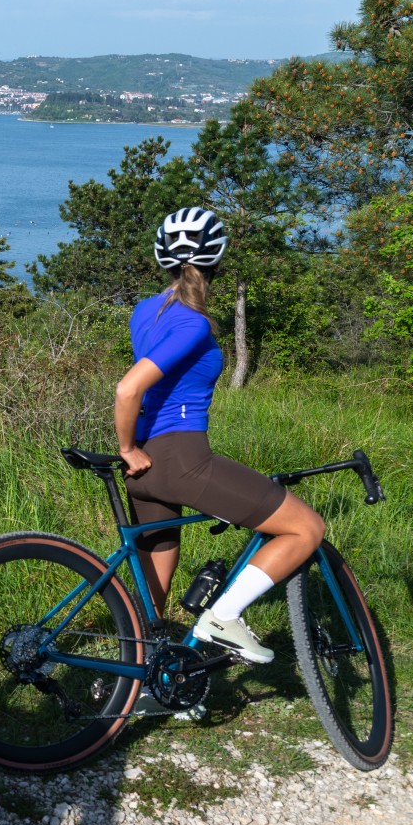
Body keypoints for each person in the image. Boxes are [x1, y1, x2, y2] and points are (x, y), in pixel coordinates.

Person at [115, 206, 326, 665]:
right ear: (216, 258)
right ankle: (223, 616)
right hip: (180, 459)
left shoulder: (144, 310)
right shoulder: (193, 322)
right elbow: (129, 387)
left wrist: (134, 452)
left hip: (145, 470)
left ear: (164, 256)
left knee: (154, 580)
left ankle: (141, 681)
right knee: (306, 528)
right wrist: (124, 446)